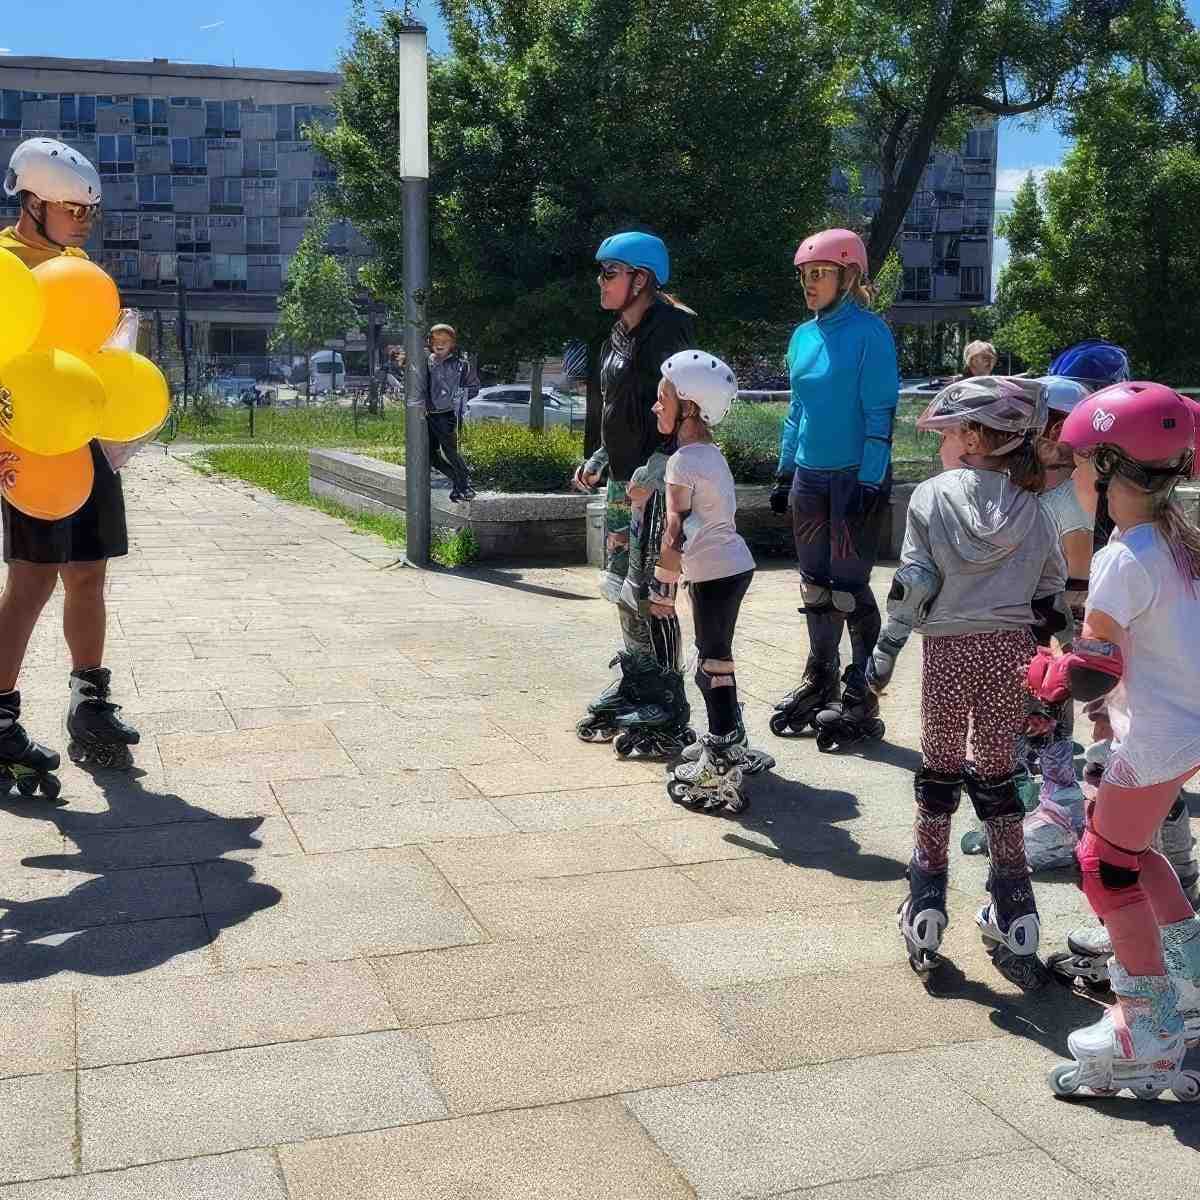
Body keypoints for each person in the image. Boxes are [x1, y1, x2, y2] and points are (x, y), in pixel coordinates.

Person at [1028, 382, 1200, 1100]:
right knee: (1137, 852)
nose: (1072, 476)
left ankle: (1147, 1031)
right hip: (1181, 726)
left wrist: (1048, 676)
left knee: (1105, 866)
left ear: (1107, 467)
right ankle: (1186, 983)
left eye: (1078, 464)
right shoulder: (1176, 539)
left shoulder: (1121, 556)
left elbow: (1097, 670)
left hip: (1158, 735)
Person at [866, 376, 1064, 989]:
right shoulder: (1035, 510)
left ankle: (926, 899)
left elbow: (913, 587)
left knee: (939, 771)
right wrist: (1046, 685)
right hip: (1009, 649)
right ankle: (1017, 911)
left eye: (954, 431)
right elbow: (1050, 599)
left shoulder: (930, 496)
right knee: (998, 776)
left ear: (975, 437)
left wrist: (883, 656)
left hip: (948, 650)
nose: (949, 441)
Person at [0, 137, 139, 788]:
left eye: (89, 213)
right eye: (71, 211)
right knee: (32, 581)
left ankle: (90, 702)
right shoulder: (6, 264)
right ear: (30, 204)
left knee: (89, 573)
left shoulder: (78, 266)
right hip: (29, 444)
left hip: (87, 440)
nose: (83, 223)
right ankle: (0, 721)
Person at [767, 228, 899, 749]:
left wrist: (870, 475)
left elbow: (880, 412)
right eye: (805, 275)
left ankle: (860, 688)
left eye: (820, 273)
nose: (810, 283)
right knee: (814, 584)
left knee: (848, 587)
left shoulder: (871, 334)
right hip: (809, 475)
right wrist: (783, 472)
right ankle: (820, 676)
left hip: (853, 476)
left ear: (849, 277)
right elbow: (796, 411)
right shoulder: (802, 336)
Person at [573, 231, 696, 758]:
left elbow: (685, 404)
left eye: (609, 272)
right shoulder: (614, 339)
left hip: (659, 484)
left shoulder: (671, 331)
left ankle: (668, 699)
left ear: (640, 279)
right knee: (623, 588)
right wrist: (600, 457)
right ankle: (638, 678)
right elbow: (612, 411)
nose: (600, 282)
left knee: (653, 593)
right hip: (626, 483)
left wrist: (662, 460)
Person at [647, 351, 775, 814]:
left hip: (715, 571)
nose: (655, 407)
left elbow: (676, 528)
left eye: (663, 398)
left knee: (712, 664)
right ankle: (731, 738)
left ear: (690, 406)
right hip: (729, 567)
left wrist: (662, 587)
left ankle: (720, 767)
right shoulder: (710, 454)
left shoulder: (682, 460)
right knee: (716, 658)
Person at [1019, 375, 1094, 870]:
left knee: (1049, 706)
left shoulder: (1068, 501)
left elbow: (1078, 579)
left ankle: (1058, 798)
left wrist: (1069, 638)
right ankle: (1028, 791)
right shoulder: (1029, 487)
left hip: (1050, 620)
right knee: (1022, 710)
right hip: (1020, 613)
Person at [411, 324, 479, 502]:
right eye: (436, 341)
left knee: (450, 451)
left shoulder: (459, 365)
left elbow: (473, 386)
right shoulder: (426, 362)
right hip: (428, 415)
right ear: (430, 343)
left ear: (452, 344)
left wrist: (457, 399)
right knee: (430, 455)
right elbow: (420, 386)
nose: (440, 345)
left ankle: (465, 484)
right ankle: (458, 481)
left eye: (445, 341)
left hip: (445, 415)